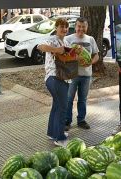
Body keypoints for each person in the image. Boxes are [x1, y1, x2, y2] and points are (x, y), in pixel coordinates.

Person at [37, 18, 72, 147]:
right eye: (61, 26)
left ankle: (52, 132)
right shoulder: (51, 39)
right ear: (56, 27)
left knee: (57, 105)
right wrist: (57, 50)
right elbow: (40, 47)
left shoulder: (66, 41)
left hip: (64, 78)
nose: (64, 29)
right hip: (54, 78)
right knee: (62, 107)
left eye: (66, 27)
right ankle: (60, 138)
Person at [64, 17, 99, 131]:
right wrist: (75, 58)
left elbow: (96, 55)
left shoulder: (91, 39)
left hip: (86, 75)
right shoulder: (68, 39)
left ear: (86, 27)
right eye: (79, 26)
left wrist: (90, 62)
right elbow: (63, 55)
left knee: (83, 99)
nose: (81, 29)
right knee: (69, 99)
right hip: (72, 74)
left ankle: (81, 120)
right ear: (76, 26)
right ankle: (67, 121)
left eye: (83, 26)